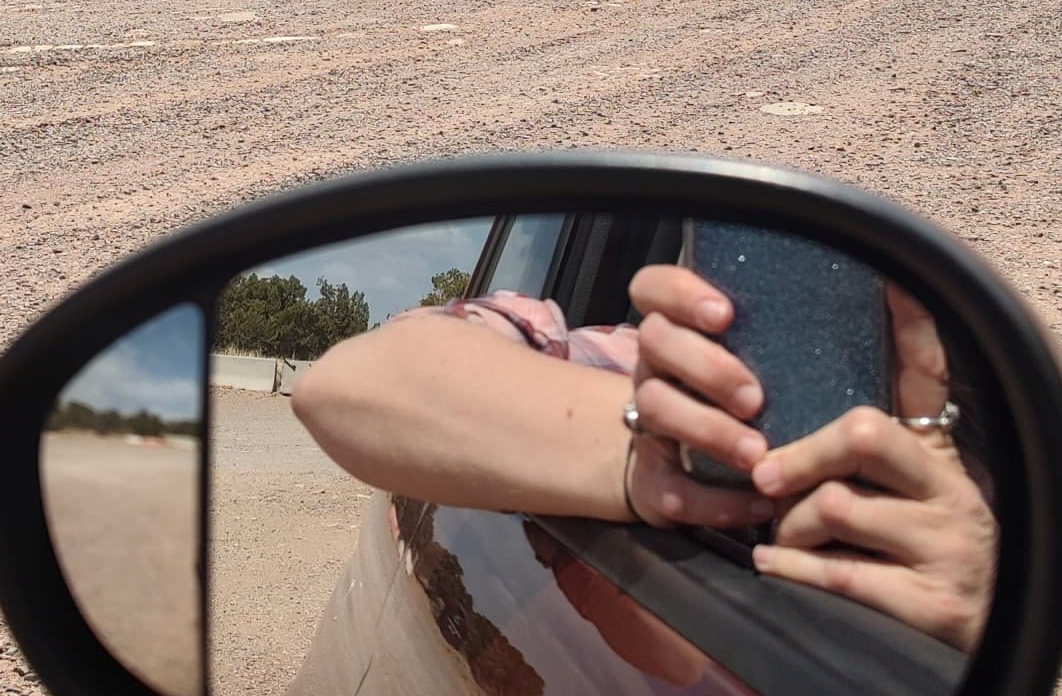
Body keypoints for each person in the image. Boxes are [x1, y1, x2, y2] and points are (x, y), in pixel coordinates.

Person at [288, 253, 996, 652]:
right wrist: (649, 452)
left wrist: (984, 615)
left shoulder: (982, 467)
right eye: (745, 255)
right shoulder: (645, 372)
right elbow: (344, 387)